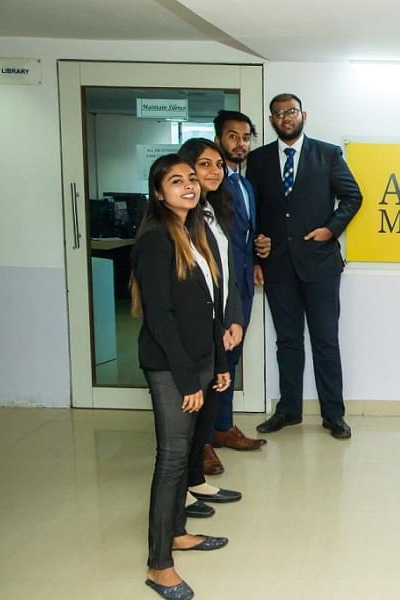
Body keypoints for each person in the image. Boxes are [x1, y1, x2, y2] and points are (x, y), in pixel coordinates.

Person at [130, 154, 230, 599]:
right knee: (171, 460)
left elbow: (210, 305)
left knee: (188, 450)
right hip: (172, 366)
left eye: (192, 178)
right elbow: (160, 317)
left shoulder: (193, 233)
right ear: (158, 192)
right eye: (176, 181)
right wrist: (188, 379)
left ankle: (177, 533)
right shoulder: (155, 240)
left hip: (201, 360)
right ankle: (159, 566)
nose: (189, 185)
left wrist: (220, 363)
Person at [249, 93, 363, 440]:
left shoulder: (327, 154)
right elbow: (252, 211)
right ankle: (288, 410)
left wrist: (331, 229)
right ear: (272, 120)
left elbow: (353, 196)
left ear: (304, 116)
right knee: (287, 342)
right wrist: (256, 251)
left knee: (325, 341)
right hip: (277, 265)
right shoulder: (258, 159)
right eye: (279, 113)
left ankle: (334, 415)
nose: (286, 117)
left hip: (320, 264)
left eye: (292, 111)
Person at [177, 138, 245, 508]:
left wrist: (233, 319)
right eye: (205, 164)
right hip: (194, 330)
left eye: (218, 165)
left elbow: (227, 274)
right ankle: (181, 492)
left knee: (206, 408)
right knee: (186, 415)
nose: (215, 171)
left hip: (217, 325)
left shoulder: (213, 211)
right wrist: (214, 326)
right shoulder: (177, 220)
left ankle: (196, 482)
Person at [208, 110, 272, 451]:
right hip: (215, 286)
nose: (240, 143)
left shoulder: (245, 185)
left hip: (242, 285)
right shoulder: (209, 186)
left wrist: (259, 254)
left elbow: (243, 234)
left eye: (246, 137)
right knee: (209, 361)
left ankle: (222, 427)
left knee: (230, 357)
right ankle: (202, 441)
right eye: (233, 136)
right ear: (218, 138)